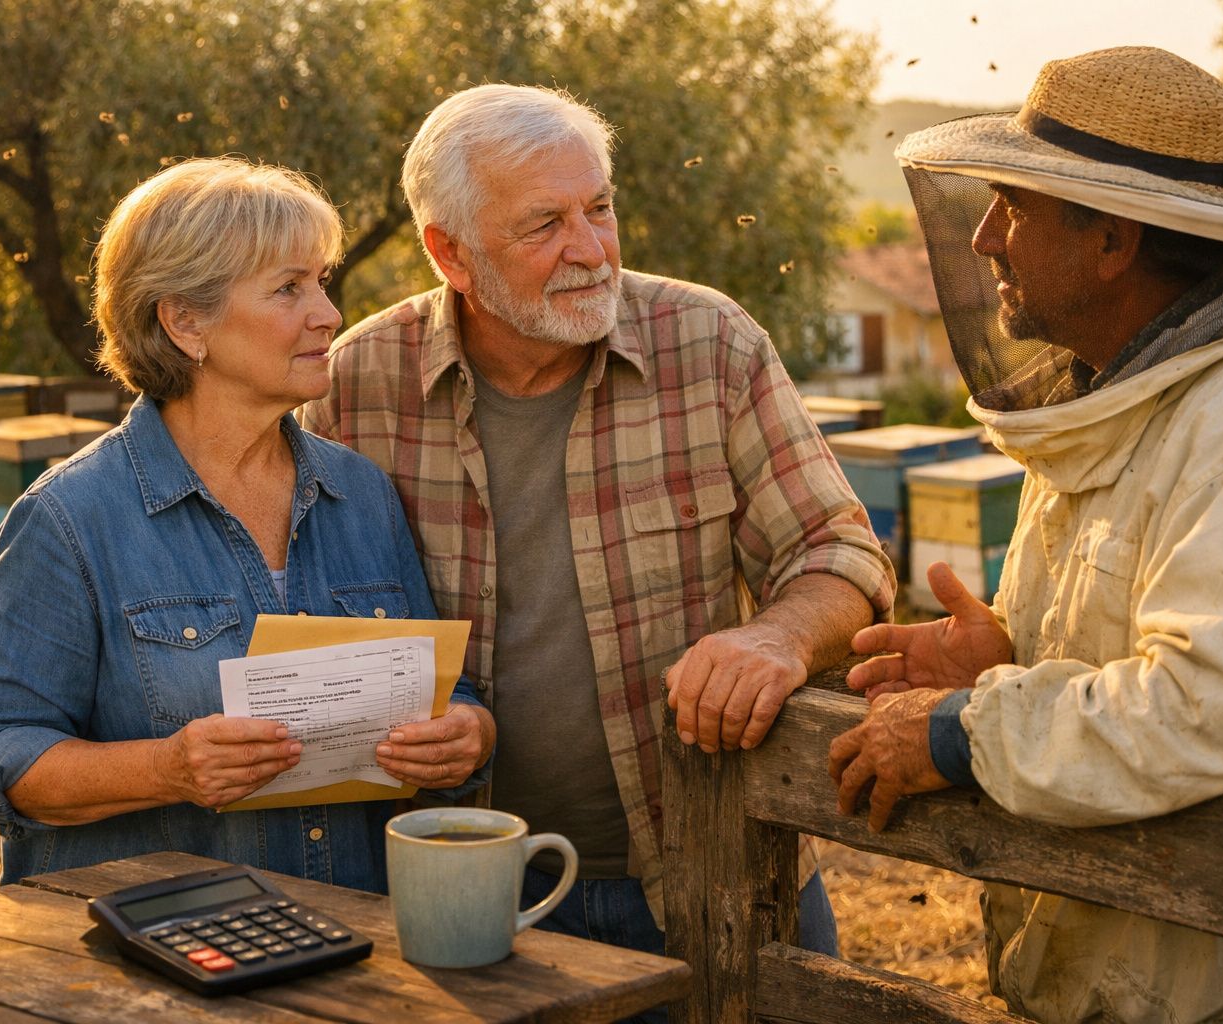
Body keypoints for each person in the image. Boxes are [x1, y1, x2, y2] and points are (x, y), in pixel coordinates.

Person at [827, 46, 1223, 1023]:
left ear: (1110, 242)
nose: (982, 238)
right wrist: (1008, 655)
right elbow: (1163, 656)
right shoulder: (1129, 400)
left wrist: (961, 730)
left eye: (1012, 206)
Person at [298, 84, 895, 968]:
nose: (591, 250)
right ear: (450, 254)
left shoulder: (709, 343)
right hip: (463, 886)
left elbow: (840, 552)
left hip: (711, 872)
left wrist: (777, 638)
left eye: (601, 209)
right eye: (544, 226)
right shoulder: (356, 385)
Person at [0, 157, 494, 892]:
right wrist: (166, 768)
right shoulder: (69, 519)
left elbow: (442, 695)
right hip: (159, 958)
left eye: (321, 283)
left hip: (352, 942)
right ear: (185, 322)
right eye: (288, 289)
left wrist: (467, 735)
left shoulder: (360, 493)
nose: (328, 314)